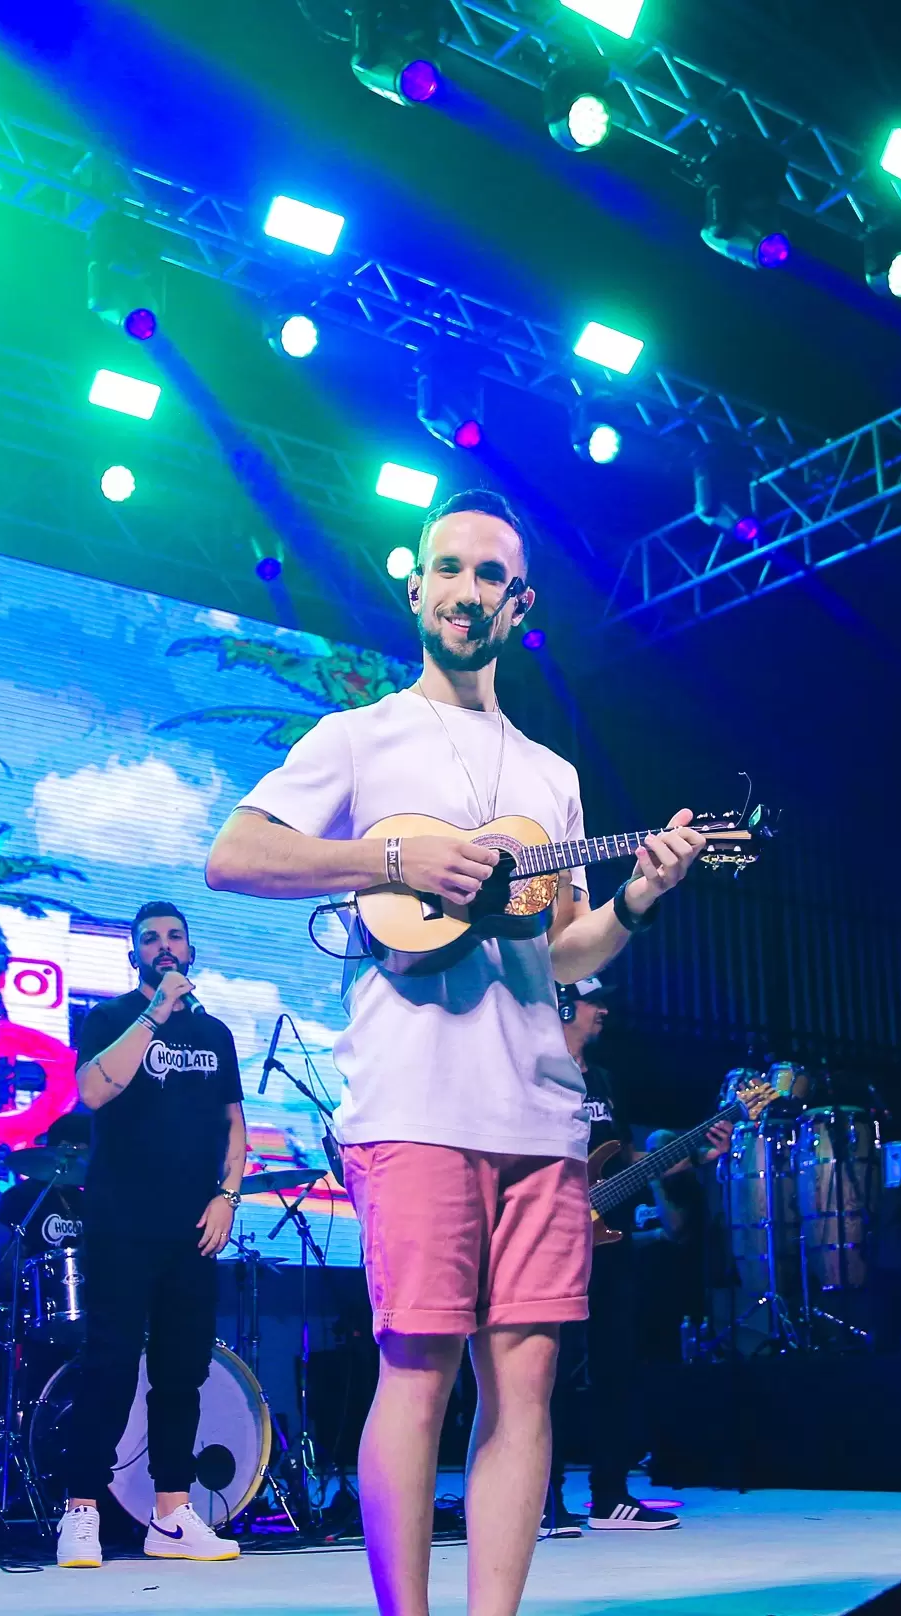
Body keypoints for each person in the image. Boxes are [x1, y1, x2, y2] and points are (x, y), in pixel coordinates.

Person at [206, 488, 710, 1616]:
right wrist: (390, 863)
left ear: (518, 604)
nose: (467, 591)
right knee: (418, 1370)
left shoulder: (550, 776)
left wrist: (636, 897)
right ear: (415, 587)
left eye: (491, 575)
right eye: (449, 568)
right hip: (414, 1102)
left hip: (539, 1107)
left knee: (526, 1386)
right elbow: (232, 856)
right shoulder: (358, 737)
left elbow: (562, 947)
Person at [51, 901, 248, 1567]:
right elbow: (92, 1092)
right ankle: (81, 1509)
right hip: (121, 1223)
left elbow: (234, 1126)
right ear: (134, 954)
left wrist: (227, 1197)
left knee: (180, 1373)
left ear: (190, 950)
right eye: (151, 939)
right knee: (108, 1364)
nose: (164, 946)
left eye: (174, 937)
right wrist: (155, 1012)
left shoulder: (215, 1034)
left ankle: (171, 1515)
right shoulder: (109, 1019)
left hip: (192, 1228)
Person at [546, 976, 729, 1531]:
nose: (603, 1011)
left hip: (612, 1244)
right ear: (563, 1005)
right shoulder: (540, 1071)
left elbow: (625, 1160)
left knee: (616, 1367)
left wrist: (691, 1158)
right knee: (550, 1373)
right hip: (553, 1241)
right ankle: (544, 1499)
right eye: (594, 1002)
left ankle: (610, 1496)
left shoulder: (603, 1079)